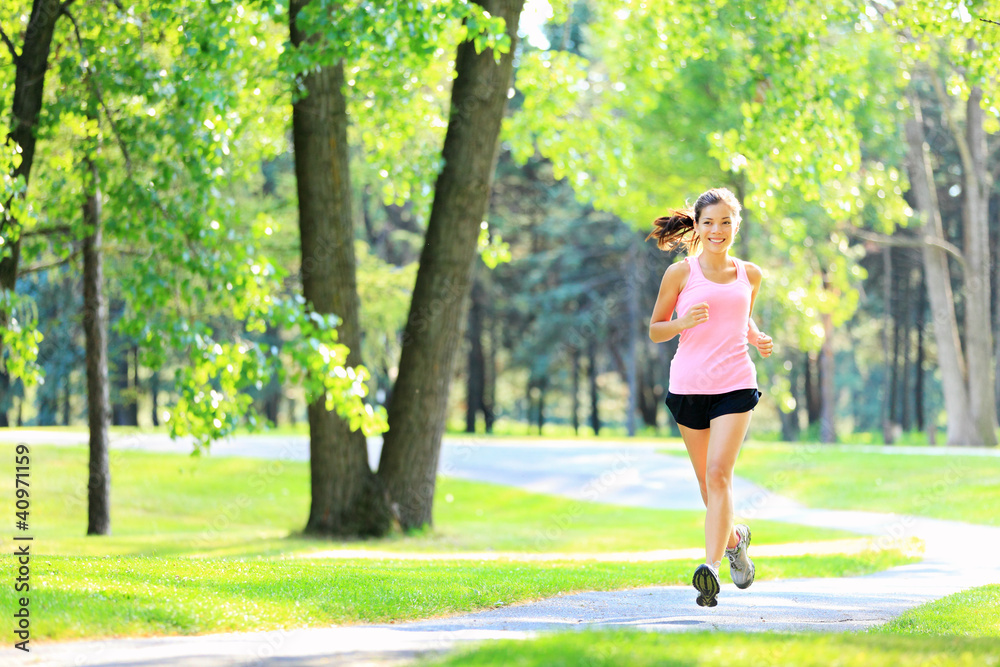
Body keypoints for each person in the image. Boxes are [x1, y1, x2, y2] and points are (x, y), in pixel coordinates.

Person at [646, 187, 773, 608]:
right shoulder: (681, 274)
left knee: (720, 474)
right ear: (697, 228)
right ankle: (737, 542)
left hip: (735, 384)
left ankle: (711, 568)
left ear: (737, 225)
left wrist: (756, 337)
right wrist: (682, 321)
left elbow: (741, 314)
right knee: (707, 484)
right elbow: (656, 329)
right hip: (688, 386)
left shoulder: (749, 274)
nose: (717, 230)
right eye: (709, 223)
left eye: (725, 222)